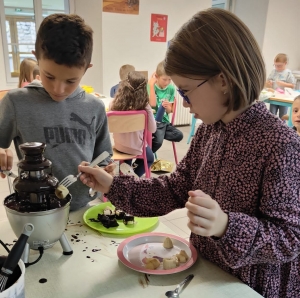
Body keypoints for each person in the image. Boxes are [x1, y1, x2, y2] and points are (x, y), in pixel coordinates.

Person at [78, 8, 300, 298]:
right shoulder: (209, 131)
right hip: (206, 273)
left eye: (185, 92)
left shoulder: (280, 144)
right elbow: (174, 189)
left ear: (222, 80)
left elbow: (289, 239)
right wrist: (113, 185)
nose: (184, 102)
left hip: (250, 287)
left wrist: (226, 226)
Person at [0, 13, 113, 211]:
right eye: (49, 76)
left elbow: (104, 157)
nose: (58, 89)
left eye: (71, 81)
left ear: (86, 68)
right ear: (37, 59)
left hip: (83, 207)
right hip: (35, 211)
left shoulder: (94, 107)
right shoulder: (16, 102)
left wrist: (107, 170)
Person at [109, 71, 156, 177]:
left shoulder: (113, 103)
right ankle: (132, 179)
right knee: (150, 159)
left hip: (119, 146)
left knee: (126, 158)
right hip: (136, 148)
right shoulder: (145, 107)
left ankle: (125, 177)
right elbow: (152, 129)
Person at [148, 61, 183, 153]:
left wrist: (167, 106)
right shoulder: (150, 86)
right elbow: (152, 104)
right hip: (153, 122)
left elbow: (170, 111)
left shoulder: (171, 89)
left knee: (179, 135)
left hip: (165, 123)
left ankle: (158, 135)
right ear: (157, 76)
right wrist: (151, 85)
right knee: (158, 142)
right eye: (164, 79)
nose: (167, 82)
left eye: (169, 79)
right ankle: (143, 160)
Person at [265, 53, 296, 118]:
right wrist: (269, 82)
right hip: (274, 96)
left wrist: (283, 84)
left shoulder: (288, 73)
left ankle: (282, 127)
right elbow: (268, 81)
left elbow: (292, 85)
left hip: (284, 98)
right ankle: (272, 127)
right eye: (275, 65)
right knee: (271, 115)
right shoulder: (274, 71)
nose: (277, 67)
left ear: (285, 63)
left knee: (283, 116)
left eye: (279, 66)